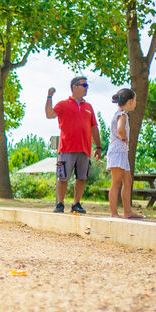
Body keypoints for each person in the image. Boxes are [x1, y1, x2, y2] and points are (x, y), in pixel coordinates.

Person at [46, 76, 101, 214]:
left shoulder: (88, 107)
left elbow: (94, 127)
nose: (86, 87)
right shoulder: (63, 104)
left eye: (87, 85)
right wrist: (49, 97)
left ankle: (76, 204)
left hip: (84, 148)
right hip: (67, 148)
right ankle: (60, 204)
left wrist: (98, 147)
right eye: (84, 85)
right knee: (63, 177)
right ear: (74, 87)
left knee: (82, 177)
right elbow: (49, 114)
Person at [106, 88, 144, 219]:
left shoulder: (121, 113)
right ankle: (114, 213)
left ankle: (127, 211)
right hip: (117, 151)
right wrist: (124, 138)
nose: (136, 103)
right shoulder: (122, 115)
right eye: (135, 100)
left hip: (122, 152)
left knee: (127, 181)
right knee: (116, 182)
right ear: (130, 101)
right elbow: (120, 129)